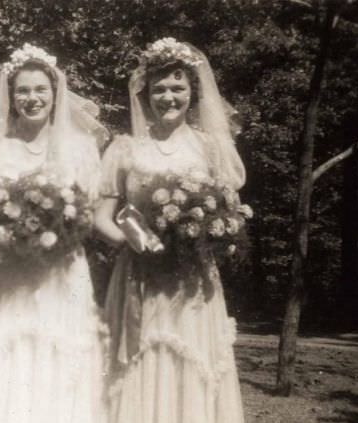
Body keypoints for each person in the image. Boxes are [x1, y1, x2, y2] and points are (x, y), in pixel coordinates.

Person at [0, 43, 109, 423]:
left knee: (59, 355)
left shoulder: (81, 147)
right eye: (22, 91)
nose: (31, 99)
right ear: (10, 96)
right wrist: (0, 235)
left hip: (60, 272)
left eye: (40, 90)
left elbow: (90, 213)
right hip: (4, 272)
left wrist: (60, 230)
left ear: (56, 93)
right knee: (5, 355)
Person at [94, 38, 246, 423]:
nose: (168, 97)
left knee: (191, 363)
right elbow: (101, 218)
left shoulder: (209, 148)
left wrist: (212, 236)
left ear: (192, 92)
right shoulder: (124, 148)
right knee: (139, 362)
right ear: (145, 94)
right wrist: (131, 243)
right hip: (138, 279)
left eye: (177, 88)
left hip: (192, 281)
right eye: (159, 89)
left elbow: (228, 214)